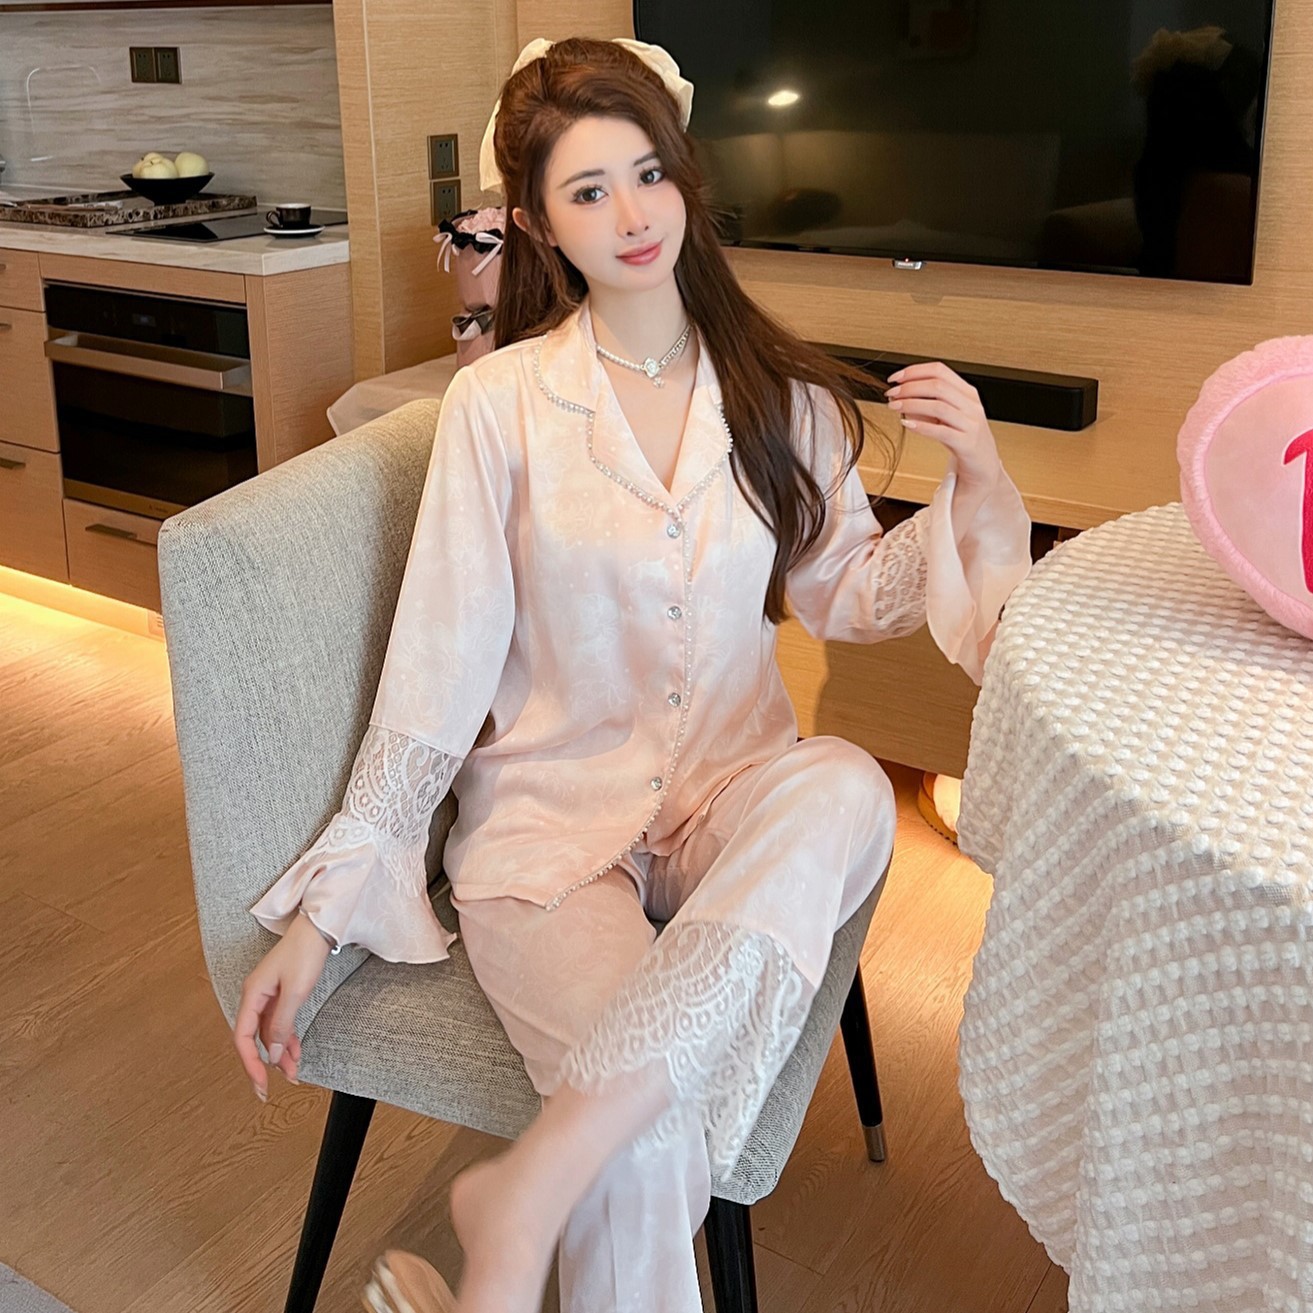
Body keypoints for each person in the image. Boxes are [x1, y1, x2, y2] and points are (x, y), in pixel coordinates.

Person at [232, 35, 1031, 1313]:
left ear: (686, 174)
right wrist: (323, 915)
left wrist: (976, 483)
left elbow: (847, 593)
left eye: (648, 173)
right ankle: (547, 1192)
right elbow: (438, 661)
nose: (632, 215)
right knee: (650, 1143)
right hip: (549, 838)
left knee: (842, 783)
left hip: (730, 800)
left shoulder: (776, 394)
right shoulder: (499, 407)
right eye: (588, 190)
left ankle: (528, 1187)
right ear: (539, 224)